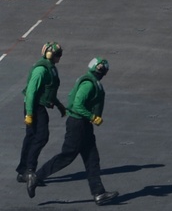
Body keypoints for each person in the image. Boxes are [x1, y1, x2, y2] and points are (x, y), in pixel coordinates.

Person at [26, 57, 117, 205]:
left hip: (83, 125)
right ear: (100, 70)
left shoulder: (90, 81)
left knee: (92, 158)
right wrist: (93, 117)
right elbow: (77, 105)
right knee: (67, 155)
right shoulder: (88, 84)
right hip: (78, 124)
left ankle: (99, 193)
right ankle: (36, 177)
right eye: (103, 70)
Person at [16, 42, 66, 183]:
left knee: (31, 137)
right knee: (41, 136)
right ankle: (30, 170)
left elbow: (48, 91)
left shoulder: (51, 68)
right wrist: (30, 114)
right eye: (58, 54)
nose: (60, 57)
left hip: (37, 105)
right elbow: (31, 92)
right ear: (50, 54)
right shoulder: (41, 70)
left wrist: (59, 105)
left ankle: (22, 171)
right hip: (35, 106)